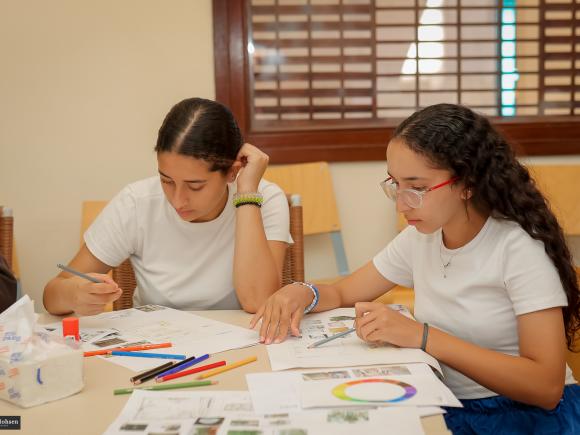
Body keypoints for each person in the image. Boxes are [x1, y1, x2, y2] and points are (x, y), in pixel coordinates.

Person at [250, 104, 580, 434]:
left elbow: (545, 387)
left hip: (523, 416)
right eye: (395, 183)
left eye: (417, 188)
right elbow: (343, 292)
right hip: (448, 401)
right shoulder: (421, 238)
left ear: (468, 183)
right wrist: (303, 292)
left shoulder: (518, 248)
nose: (401, 204)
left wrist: (421, 336)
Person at [44, 98, 291, 316]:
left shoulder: (264, 199)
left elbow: (259, 301)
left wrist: (247, 195)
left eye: (195, 186)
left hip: (242, 348)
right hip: (158, 353)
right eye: (166, 180)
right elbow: (52, 295)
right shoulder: (137, 203)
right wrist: (74, 293)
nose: (177, 200)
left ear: (232, 172)